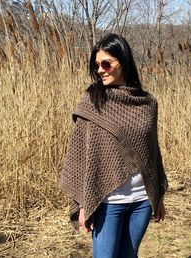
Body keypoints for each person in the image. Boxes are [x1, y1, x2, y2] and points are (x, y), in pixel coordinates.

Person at [60, 33, 168, 258]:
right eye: (97, 65)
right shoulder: (92, 101)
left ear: (123, 63)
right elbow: (81, 157)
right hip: (107, 202)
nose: (100, 70)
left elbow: (152, 152)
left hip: (141, 201)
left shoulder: (148, 103)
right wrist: (82, 203)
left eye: (106, 64)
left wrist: (157, 196)